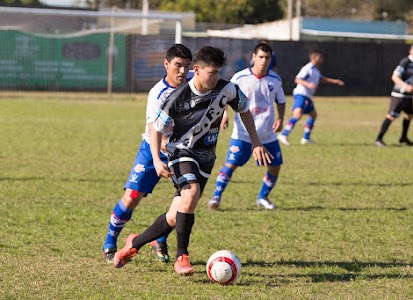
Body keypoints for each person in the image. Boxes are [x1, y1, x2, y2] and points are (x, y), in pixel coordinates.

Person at [112, 46, 272, 275]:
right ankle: (182, 257)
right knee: (191, 193)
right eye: (211, 72)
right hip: (181, 153)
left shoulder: (227, 89)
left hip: (206, 158)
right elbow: (156, 129)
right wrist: (157, 159)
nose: (216, 77)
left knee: (174, 216)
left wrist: (256, 142)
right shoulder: (177, 98)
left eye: (218, 72)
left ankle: (134, 243)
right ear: (196, 70)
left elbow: (244, 110)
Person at [102, 44, 193, 264]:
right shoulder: (158, 94)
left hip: (183, 152)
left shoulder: (193, 85)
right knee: (132, 196)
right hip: (154, 150)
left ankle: (159, 238)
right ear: (166, 64)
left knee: (185, 203)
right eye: (177, 65)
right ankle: (110, 242)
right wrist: (158, 156)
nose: (182, 71)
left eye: (186, 66)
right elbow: (156, 131)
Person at [208, 42, 286, 210]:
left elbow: (281, 101)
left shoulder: (275, 79)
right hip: (242, 133)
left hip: (267, 134)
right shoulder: (240, 78)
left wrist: (280, 118)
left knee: (275, 167)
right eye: (261, 57)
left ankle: (262, 197)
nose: (264, 61)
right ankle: (215, 197)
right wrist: (225, 115)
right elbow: (226, 97)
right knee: (231, 164)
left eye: (267, 58)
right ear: (253, 57)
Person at [277, 49, 345, 146]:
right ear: (313, 57)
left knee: (313, 115)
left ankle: (306, 138)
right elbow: (297, 79)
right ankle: (283, 134)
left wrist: (335, 81)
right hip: (301, 94)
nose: (321, 59)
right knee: (297, 115)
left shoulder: (315, 70)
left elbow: (322, 79)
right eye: (319, 57)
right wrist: (308, 84)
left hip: (307, 96)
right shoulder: (308, 68)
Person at [374, 42, 413, 147]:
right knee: (391, 116)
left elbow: (412, 78)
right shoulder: (405, 62)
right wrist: (405, 87)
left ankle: (403, 138)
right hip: (399, 94)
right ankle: (379, 139)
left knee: (409, 116)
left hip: (408, 96)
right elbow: (395, 77)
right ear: (410, 51)